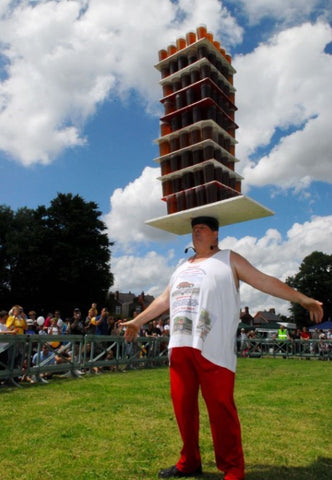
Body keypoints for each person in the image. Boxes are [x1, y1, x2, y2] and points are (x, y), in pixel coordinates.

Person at [121, 216, 323, 480]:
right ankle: (189, 462)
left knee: (220, 409)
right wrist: (138, 320)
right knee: (183, 408)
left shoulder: (229, 259)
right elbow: (164, 299)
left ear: (215, 234)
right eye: (194, 229)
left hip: (213, 347)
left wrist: (301, 298)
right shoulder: (182, 266)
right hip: (181, 345)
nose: (197, 233)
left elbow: (264, 281)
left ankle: (233, 468)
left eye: (202, 229)